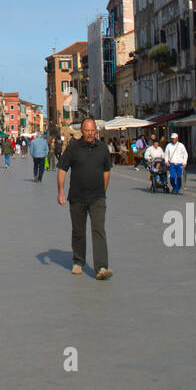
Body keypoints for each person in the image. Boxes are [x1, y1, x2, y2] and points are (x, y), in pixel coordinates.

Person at [56, 118, 112, 279]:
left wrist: (103, 189)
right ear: (82, 131)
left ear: (96, 131)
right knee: (78, 231)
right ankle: (78, 261)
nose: (90, 133)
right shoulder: (73, 147)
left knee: (99, 230)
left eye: (92, 130)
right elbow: (62, 169)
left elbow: (107, 171)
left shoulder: (102, 148)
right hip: (77, 197)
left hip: (97, 197)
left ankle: (102, 267)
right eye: (87, 130)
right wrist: (61, 190)